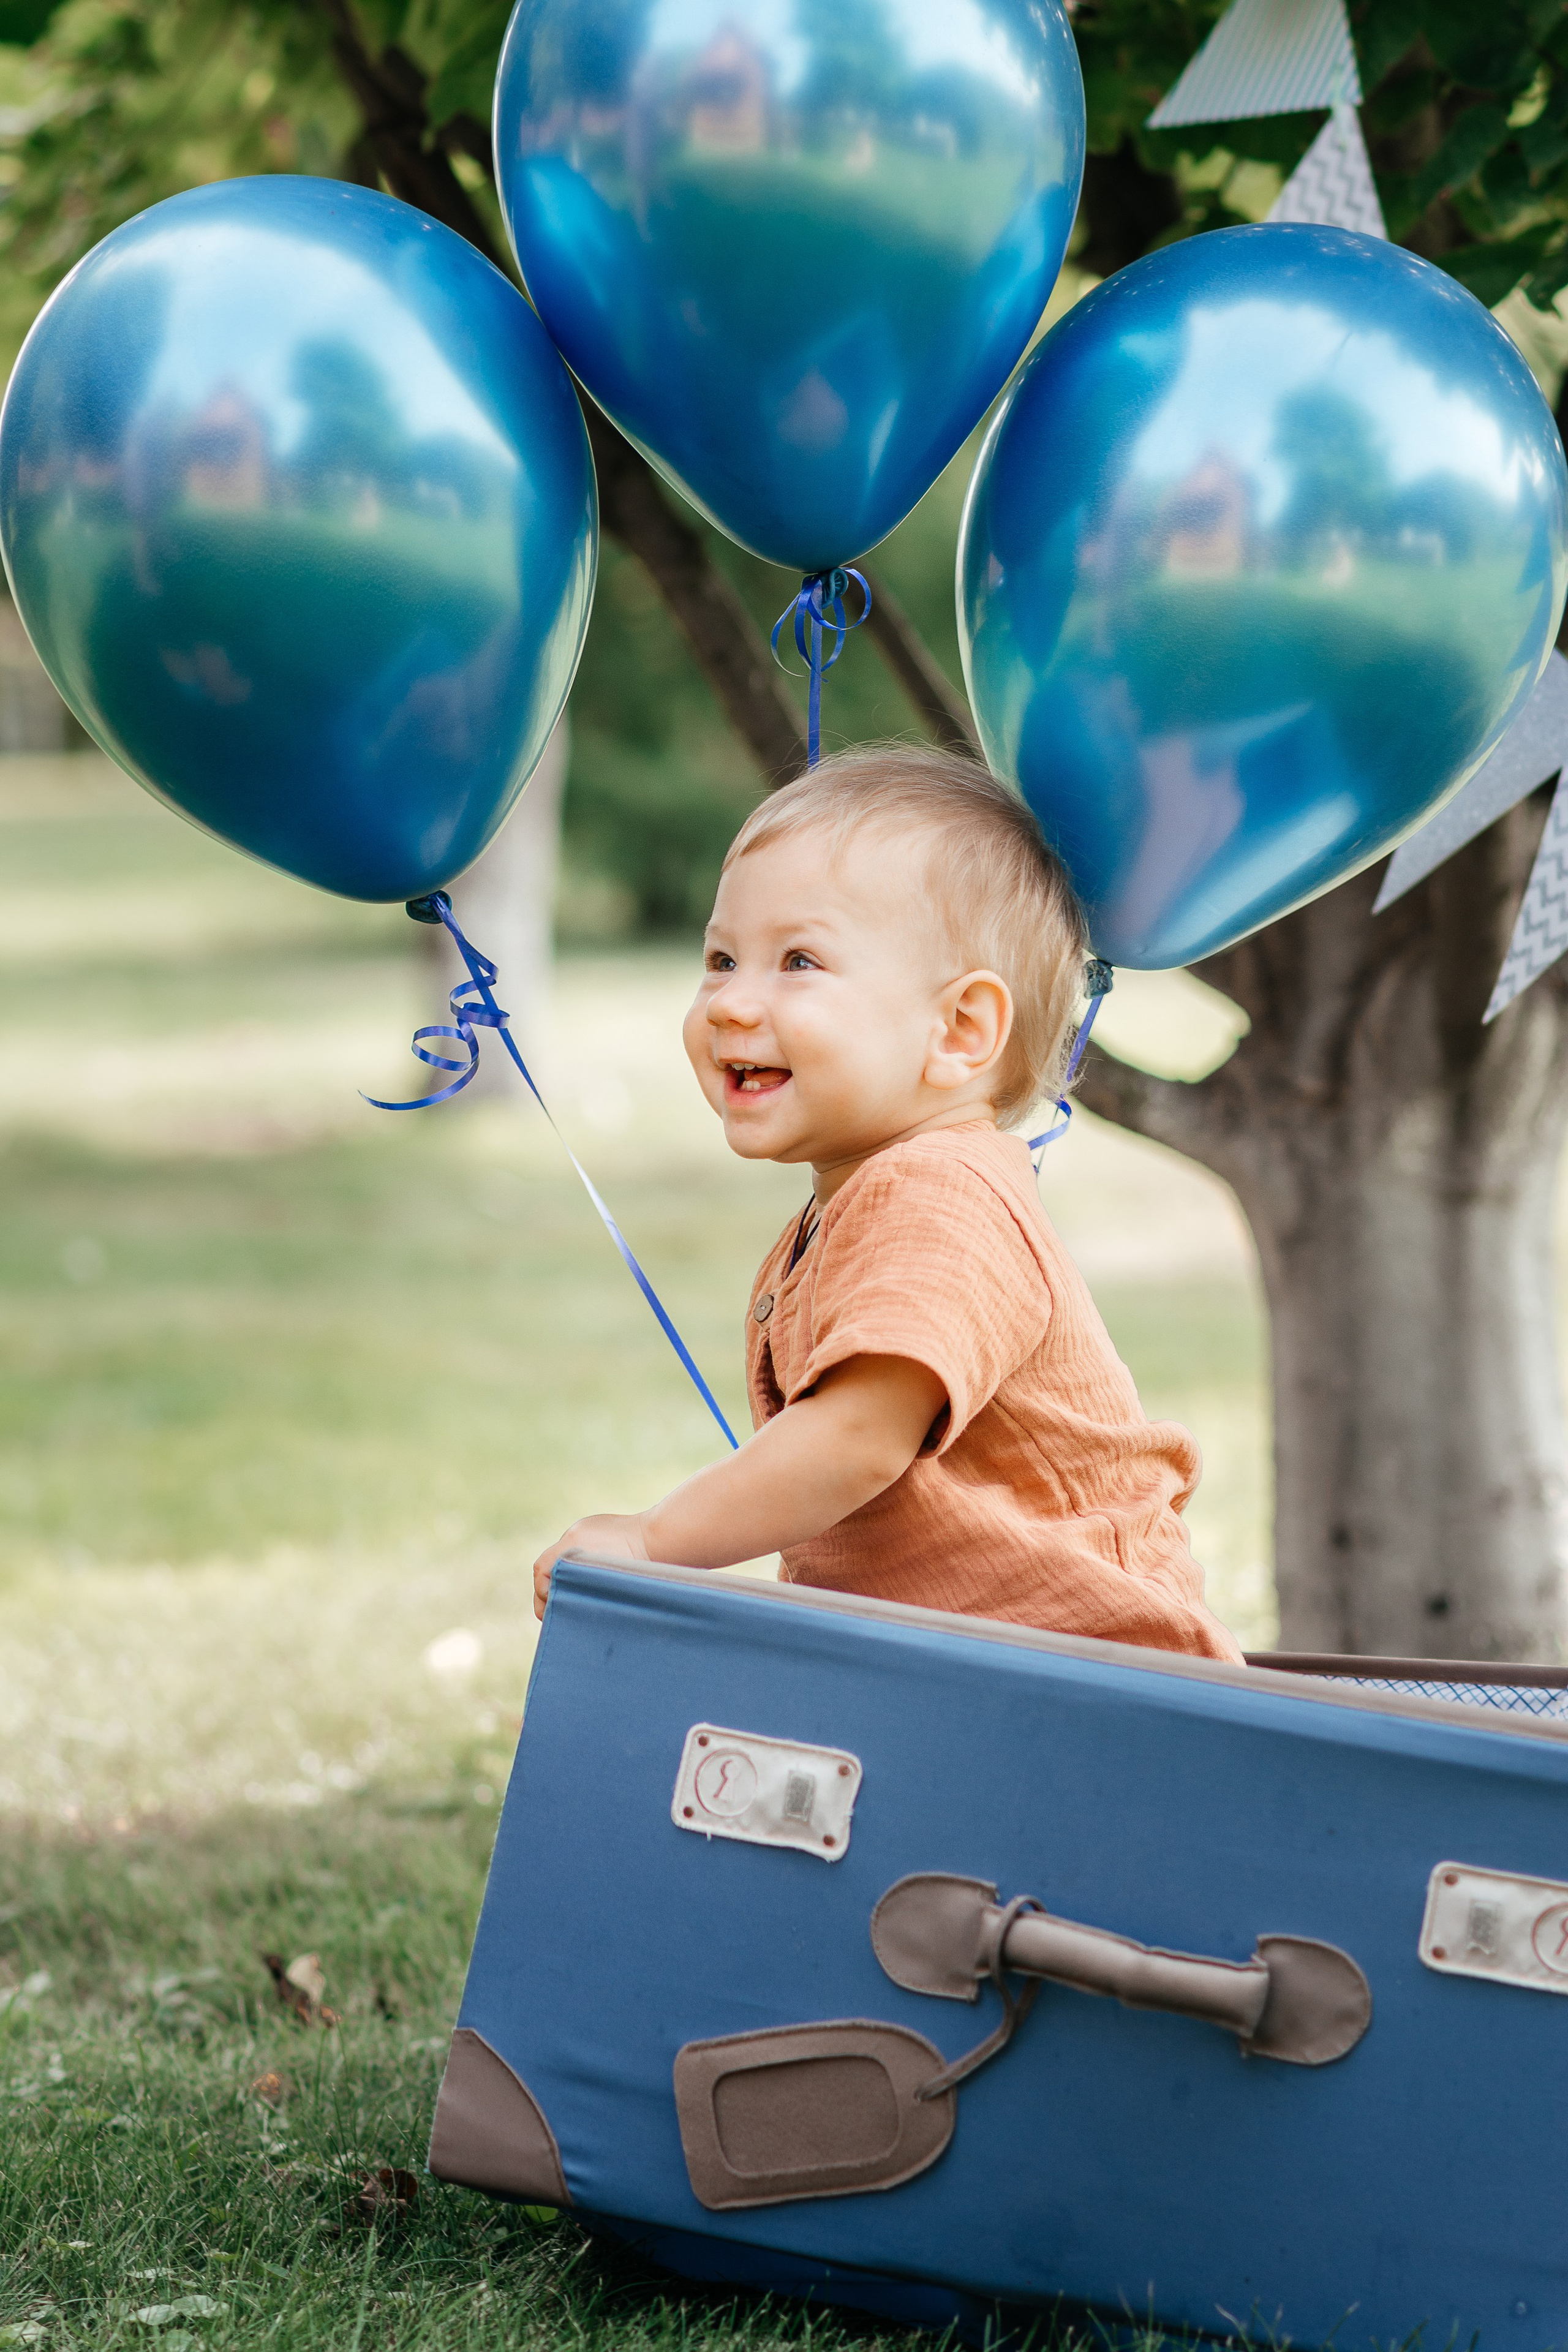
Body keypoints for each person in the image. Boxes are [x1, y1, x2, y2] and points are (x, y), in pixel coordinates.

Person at [533, 744, 1242, 1661]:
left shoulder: (938, 1192)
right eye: (720, 958)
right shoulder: (863, 1197)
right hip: (977, 1671)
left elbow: (860, 1437)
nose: (731, 1004)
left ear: (960, 1030)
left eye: (798, 961)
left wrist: (652, 1539)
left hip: (1091, 1673)